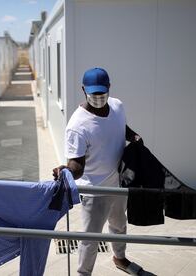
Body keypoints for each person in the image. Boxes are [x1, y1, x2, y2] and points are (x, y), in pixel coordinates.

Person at [53, 68, 144, 275]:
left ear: (109, 88)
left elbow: (121, 127)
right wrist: (65, 170)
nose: (98, 97)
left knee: (119, 227)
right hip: (94, 192)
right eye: (93, 93)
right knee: (90, 239)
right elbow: (77, 166)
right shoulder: (77, 126)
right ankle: (83, 273)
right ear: (83, 89)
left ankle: (120, 259)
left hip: (118, 185)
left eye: (102, 92)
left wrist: (134, 137)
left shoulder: (118, 106)